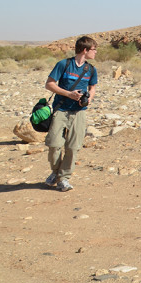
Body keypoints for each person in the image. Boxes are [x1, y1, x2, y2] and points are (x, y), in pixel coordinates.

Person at [44, 36, 99, 191]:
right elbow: (49, 84)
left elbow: (92, 88)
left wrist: (88, 99)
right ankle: (55, 172)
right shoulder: (64, 64)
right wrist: (69, 94)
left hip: (79, 112)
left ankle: (63, 178)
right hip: (60, 110)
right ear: (85, 50)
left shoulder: (91, 69)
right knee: (54, 144)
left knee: (73, 147)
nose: (95, 53)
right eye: (94, 50)